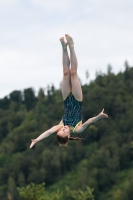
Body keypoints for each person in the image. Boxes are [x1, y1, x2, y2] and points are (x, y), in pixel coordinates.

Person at [30, 34, 108, 148]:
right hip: (77, 99)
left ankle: (63, 47)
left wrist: (37, 140)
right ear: (68, 136)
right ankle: (71, 46)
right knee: (73, 73)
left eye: (61, 130)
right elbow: (89, 122)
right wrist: (98, 116)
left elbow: (48, 132)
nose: (63, 128)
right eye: (64, 131)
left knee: (66, 73)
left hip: (66, 98)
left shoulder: (60, 125)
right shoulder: (78, 129)